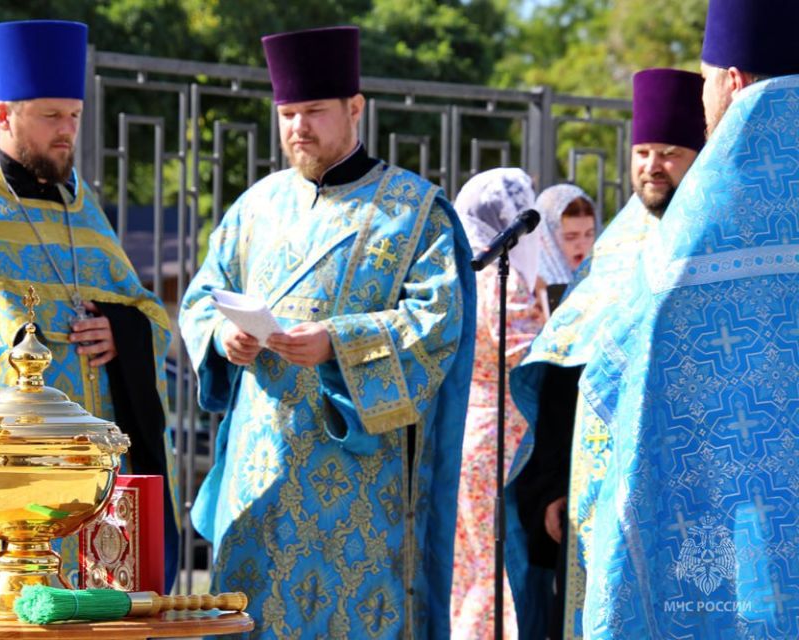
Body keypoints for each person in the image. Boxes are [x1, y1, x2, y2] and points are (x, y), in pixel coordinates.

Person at [178, 26, 476, 640]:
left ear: (355, 108)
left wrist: (337, 343)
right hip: (257, 476)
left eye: (313, 111)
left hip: (359, 485)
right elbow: (203, 296)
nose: (298, 128)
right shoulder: (254, 208)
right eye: (288, 113)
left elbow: (438, 322)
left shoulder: (414, 211)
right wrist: (221, 338)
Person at [0, 19, 178, 590]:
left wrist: (119, 331)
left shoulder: (83, 211)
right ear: (5, 116)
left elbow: (145, 309)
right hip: (11, 481)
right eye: (51, 116)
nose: (67, 132)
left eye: (74, 116)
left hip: (97, 476)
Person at [572, 0, 799, 636]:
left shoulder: (708, 213)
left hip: (740, 526)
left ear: (733, 79)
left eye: (703, 81)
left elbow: (621, 372)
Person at [507, 68, 706, 640]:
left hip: (693, 483)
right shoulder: (612, 250)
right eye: (643, 152)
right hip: (601, 485)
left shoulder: (719, 240)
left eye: (669, 153)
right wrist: (550, 486)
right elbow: (563, 373)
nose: (652, 166)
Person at [448, 168, 551, 640]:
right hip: (504, 438)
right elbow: (527, 353)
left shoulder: (465, 276)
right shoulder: (503, 280)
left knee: (472, 569)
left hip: (472, 433)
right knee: (497, 570)